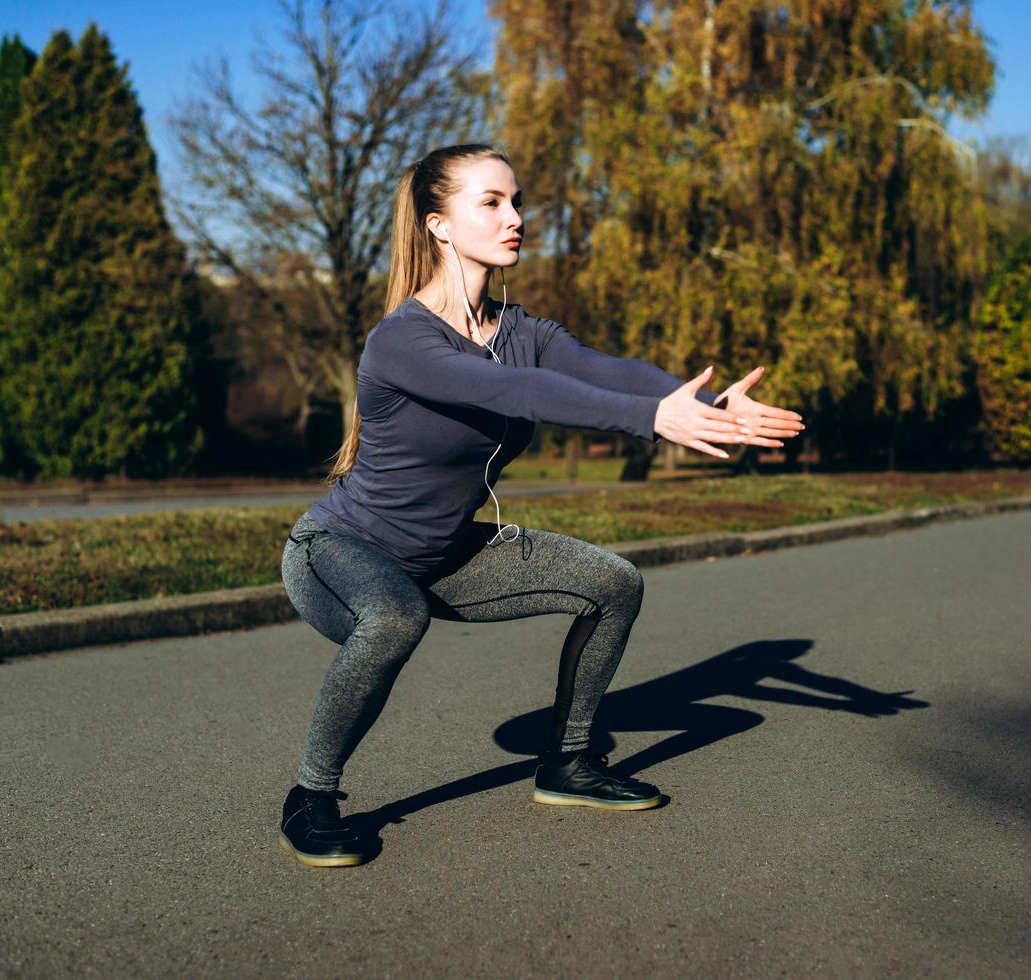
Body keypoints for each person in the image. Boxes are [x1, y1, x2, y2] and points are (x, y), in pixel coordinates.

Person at [277, 143, 805, 868]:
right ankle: (311, 795)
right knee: (396, 614)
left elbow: (604, 371)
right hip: (339, 555)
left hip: (444, 555)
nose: (515, 217)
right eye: (491, 203)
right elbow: (519, 394)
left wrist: (710, 406)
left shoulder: (520, 331)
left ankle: (567, 763)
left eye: (517, 201)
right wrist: (651, 422)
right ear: (438, 224)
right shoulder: (402, 340)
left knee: (614, 583)